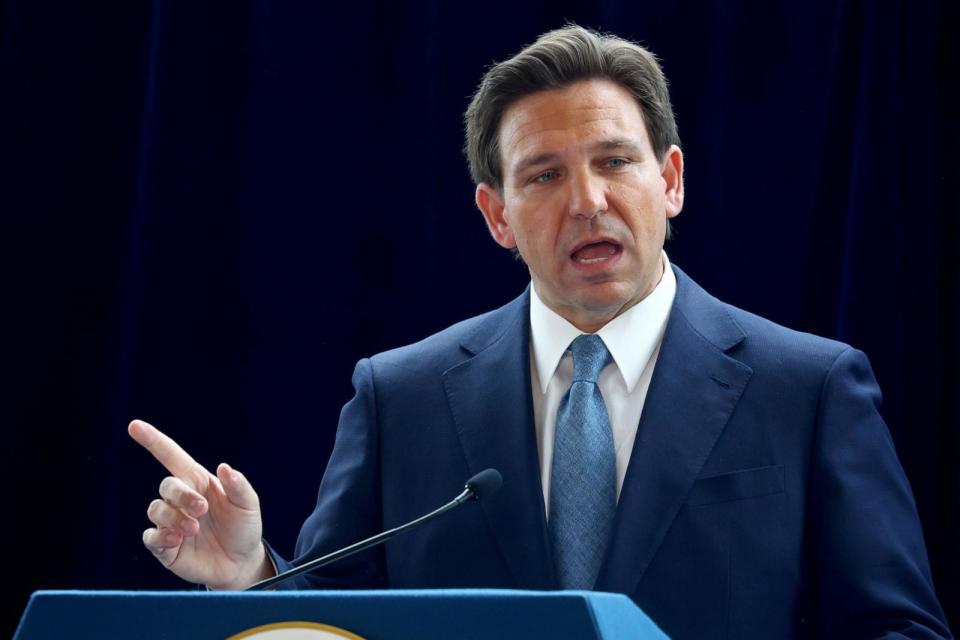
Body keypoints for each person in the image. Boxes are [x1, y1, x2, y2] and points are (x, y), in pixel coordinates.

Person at [129, 25, 952, 639]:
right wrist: (252, 577)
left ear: (669, 180)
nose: (588, 200)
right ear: (497, 216)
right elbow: (341, 626)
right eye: (545, 175)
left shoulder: (808, 388)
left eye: (616, 162)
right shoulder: (401, 396)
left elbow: (901, 632)